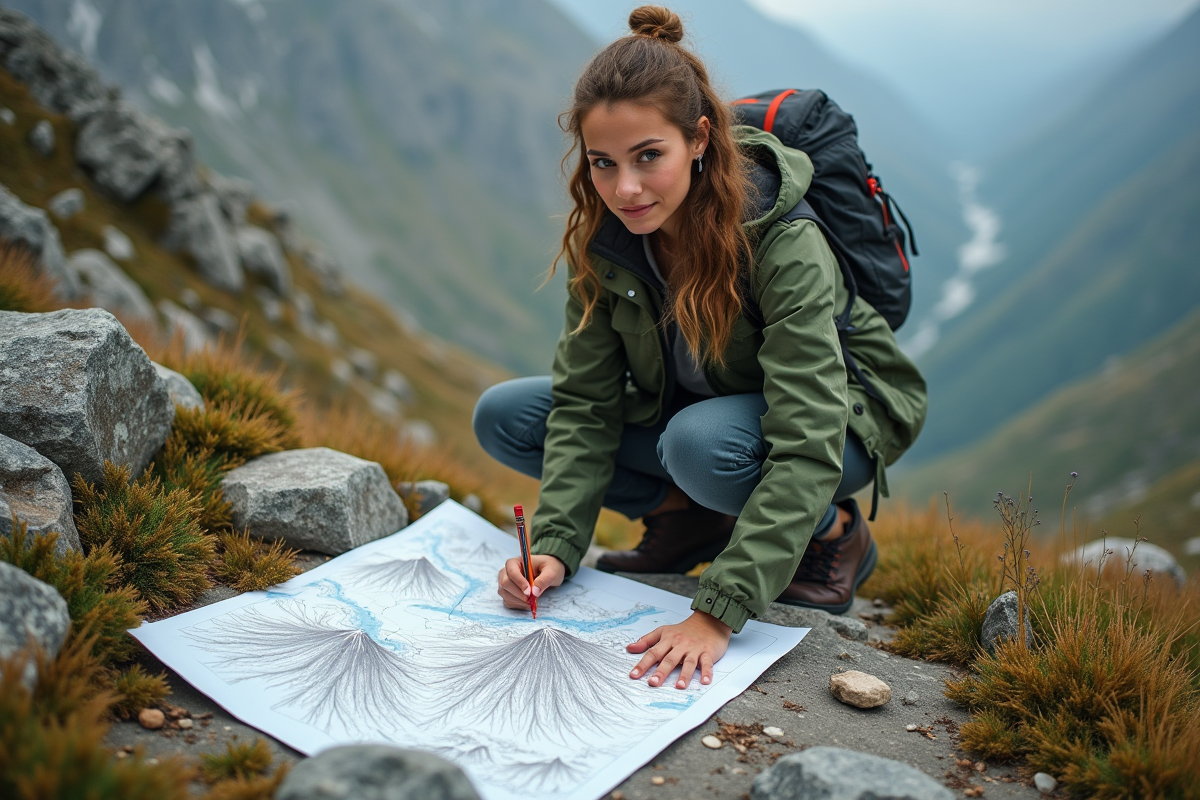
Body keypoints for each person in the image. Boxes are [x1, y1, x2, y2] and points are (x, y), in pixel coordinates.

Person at [473, 5, 926, 691]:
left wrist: (717, 612)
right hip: (707, 413)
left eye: (648, 156)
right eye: (603, 163)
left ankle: (835, 533)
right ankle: (686, 521)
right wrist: (559, 549)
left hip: (840, 422)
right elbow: (586, 407)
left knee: (699, 446)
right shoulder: (609, 242)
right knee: (507, 416)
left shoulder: (780, 239)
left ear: (699, 139)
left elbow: (806, 437)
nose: (624, 189)